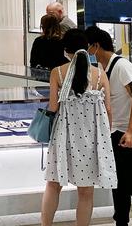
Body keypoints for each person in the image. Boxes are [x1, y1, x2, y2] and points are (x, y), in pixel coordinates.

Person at [41, 29, 117, 226]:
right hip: (91, 138)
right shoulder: (99, 74)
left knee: (53, 184)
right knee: (85, 191)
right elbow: (108, 109)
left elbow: (53, 107)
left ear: (66, 50)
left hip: (64, 134)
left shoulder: (57, 72)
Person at [87, 26, 132, 226]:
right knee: (119, 186)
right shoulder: (103, 70)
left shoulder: (123, 66)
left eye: (88, 47)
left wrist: (131, 131)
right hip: (115, 134)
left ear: (96, 46)